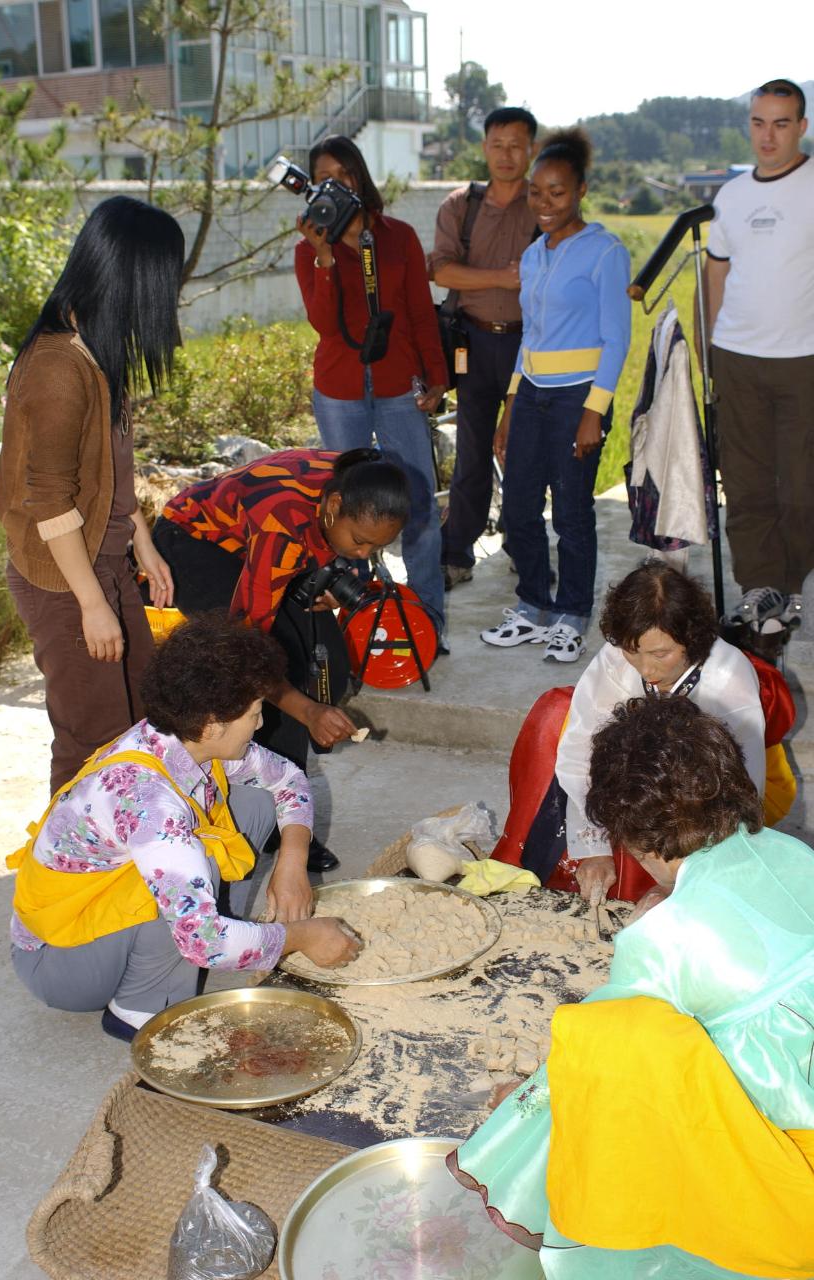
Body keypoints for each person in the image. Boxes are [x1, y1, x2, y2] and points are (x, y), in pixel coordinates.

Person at [448, 697, 814, 1278]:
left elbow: (606, 1066)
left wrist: (532, 1106)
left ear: (637, 840)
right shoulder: (792, 853)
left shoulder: (663, 940)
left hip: (773, 1162)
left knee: (601, 1038)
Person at [7, 616, 361, 1042]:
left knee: (255, 801)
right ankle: (138, 1010)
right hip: (61, 962)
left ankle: (220, 928)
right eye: (255, 713)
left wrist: (292, 862)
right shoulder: (149, 802)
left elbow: (288, 779)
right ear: (213, 724)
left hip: (95, 921)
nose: (260, 723)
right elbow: (204, 941)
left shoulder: (184, 738)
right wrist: (303, 936)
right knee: (197, 877)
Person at [0, 196, 182, 793]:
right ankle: (72, 872)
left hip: (101, 557)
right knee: (93, 740)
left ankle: (121, 858)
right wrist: (92, 604)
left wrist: (141, 543)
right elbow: (49, 498)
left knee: (141, 719)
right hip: (63, 577)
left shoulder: (95, 350)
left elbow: (107, 468)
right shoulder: (57, 365)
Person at [152, 447, 409, 870]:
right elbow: (245, 649)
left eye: (378, 546)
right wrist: (307, 710)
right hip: (195, 543)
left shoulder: (358, 476)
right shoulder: (281, 529)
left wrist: (329, 573)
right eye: (360, 542)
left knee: (328, 667)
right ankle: (275, 823)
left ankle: (284, 805)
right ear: (333, 507)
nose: (364, 555)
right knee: (272, 675)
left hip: (260, 542)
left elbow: (327, 547)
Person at [492, 562, 798, 904]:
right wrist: (593, 847)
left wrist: (681, 880)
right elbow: (580, 755)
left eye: (661, 654)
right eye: (632, 652)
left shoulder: (727, 679)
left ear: (691, 639)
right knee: (555, 715)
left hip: (698, 806)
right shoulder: (616, 658)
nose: (646, 669)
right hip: (633, 787)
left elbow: (738, 795)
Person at [481, 128, 631, 663]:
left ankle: (571, 615)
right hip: (533, 396)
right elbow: (531, 338)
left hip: (576, 400)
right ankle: (533, 606)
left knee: (570, 513)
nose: (544, 204)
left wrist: (594, 412)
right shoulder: (532, 256)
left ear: (581, 190)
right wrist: (509, 407)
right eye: (536, 193)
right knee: (519, 508)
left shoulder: (605, 251)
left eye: (557, 192)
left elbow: (617, 338)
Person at [294, 134, 448, 640]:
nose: (334, 185)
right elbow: (326, 325)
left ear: (359, 177)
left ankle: (429, 618)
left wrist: (437, 376)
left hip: (396, 383)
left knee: (418, 499)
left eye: (343, 174)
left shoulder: (397, 236)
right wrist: (323, 258)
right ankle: (361, 621)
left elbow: (421, 314)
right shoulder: (308, 249)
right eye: (324, 178)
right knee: (346, 507)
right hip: (339, 389)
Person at [705, 78, 814, 633]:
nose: (767, 136)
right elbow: (716, 272)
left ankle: (793, 584)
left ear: (802, 126)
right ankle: (759, 589)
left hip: (803, 361)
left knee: (800, 486)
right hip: (737, 356)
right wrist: (709, 351)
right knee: (745, 484)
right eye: (758, 122)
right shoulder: (733, 195)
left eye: (780, 123)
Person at [429, 106, 539, 589]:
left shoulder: (544, 204)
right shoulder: (461, 205)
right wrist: (504, 276)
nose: (507, 154)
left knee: (523, 449)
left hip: (530, 344)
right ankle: (456, 553)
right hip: (471, 341)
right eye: (498, 144)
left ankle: (523, 543)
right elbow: (442, 271)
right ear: (484, 148)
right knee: (473, 451)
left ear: (531, 149)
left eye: (517, 145)